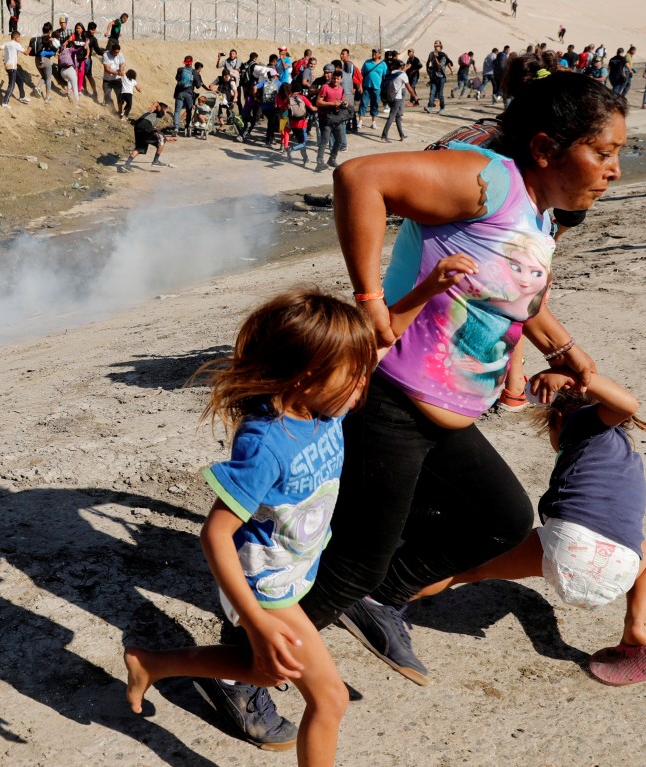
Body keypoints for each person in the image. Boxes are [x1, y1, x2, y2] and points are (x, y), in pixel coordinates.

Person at [202, 70, 627, 745]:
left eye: (617, 154)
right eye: (603, 152)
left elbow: (521, 288)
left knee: (500, 520)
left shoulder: (544, 213)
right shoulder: (486, 181)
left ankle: (371, 601)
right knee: (351, 563)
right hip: (391, 399)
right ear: (547, 145)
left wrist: (564, 350)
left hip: (446, 414)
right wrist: (371, 304)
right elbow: (358, 177)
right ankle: (243, 666)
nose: (614, 169)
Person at [126, 277, 476, 763]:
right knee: (329, 698)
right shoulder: (265, 444)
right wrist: (255, 618)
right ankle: (158, 663)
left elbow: (380, 340)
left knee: (268, 671)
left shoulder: (324, 408)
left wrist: (430, 290)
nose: (363, 387)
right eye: (353, 377)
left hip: (296, 572)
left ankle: (152, 663)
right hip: (264, 587)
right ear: (306, 375)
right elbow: (215, 533)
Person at [415, 369, 646, 686]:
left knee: (467, 568)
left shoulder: (585, 424)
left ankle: (381, 600)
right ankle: (638, 628)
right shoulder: (625, 455)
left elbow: (627, 404)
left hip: (573, 543)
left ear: (559, 418)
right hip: (620, 565)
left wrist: (584, 379)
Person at [119, 102, 174, 172]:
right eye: (166, 110)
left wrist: (166, 138)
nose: (166, 112)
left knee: (140, 148)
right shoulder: (160, 113)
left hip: (138, 127)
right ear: (163, 109)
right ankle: (155, 161)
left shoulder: (151, 115)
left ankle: (126, 165)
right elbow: (157, 103)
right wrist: (153, 107)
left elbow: (154, 131)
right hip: (145, 126)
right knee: (162, 139)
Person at [315, 69, 349, 171]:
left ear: (341, 79)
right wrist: (331, 103)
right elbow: (318, 102)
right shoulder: (325, 87)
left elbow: (342, 99)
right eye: (334, 78)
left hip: (336, 117)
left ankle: (332, 159)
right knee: (325, 140)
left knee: (339, 140)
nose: (335, 80)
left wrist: (345, 103)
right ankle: (320, 162)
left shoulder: (341, 89)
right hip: (325, 117)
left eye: (337, 79)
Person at [381, 59, 415, 142]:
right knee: (392, 116)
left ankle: (401, 135)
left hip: (389, 97)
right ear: (401, 66)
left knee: (398, 116)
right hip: (397, 98)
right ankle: (384, 135)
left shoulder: (391, 73)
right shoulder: (403, 74)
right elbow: (409, 87)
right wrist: (414, 96)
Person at [29, 22, 59, 101]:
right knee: (48, 78)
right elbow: (55, 48)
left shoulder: (37, 39)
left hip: (37, 60)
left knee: (44, 77)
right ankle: (47, 97)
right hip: (46, 60)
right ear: (50, 30)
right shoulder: (49, 38)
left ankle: (38, 87)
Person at [424, 40, 453, 113]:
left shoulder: (443, 54)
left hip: (441, 76)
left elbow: (440, 65)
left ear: (440, 45)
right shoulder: (431, 53)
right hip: (434, 76)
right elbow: (427, 62)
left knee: (440, 93)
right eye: (435, 43)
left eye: (437, 43)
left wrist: (451, 69)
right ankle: (430, 107)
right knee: (432, 92)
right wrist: (428, 73)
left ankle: (442, 108)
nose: (435, 45)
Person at [360, 49, 386, 129]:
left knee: (375, 105)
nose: (373, 54)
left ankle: (373, 122)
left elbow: (384, 76)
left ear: (379, 54)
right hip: (366, 86)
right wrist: (360, 85)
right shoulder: (367, 62)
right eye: (373, 52)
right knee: (363, 103)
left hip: (377, 88)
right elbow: (361, 74)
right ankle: (360, 121)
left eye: (375, 53)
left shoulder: (383, 64)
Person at [101, 42, 124, 110]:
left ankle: (120, 112)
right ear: (112, 50)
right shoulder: (105, 55)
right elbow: (107, 69)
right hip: (107, 80)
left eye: (118, 52)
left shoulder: (120, 55)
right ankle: (113, 110)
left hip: (117, 80)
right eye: (115, 52)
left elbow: (122, 64)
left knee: (119, 96)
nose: (117, 54)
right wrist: (117, 73)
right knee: (107, 96)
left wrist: (121, 69)